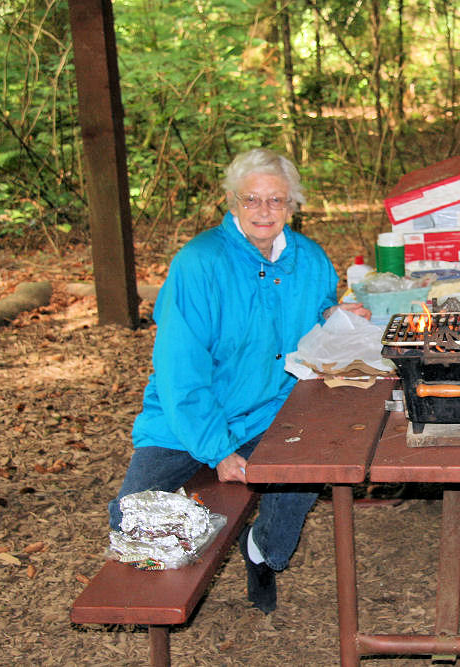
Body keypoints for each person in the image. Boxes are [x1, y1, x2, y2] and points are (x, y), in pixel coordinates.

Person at [109, 148, 370, 613]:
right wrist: (218, 451)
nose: (264, 212)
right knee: (129, 520)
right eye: (251, 200)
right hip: (186, 421)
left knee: (304, 469)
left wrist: (332, 313)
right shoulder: (198, 264)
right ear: (232, 203)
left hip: (271, 409)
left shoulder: (308, 259)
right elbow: (179, 373)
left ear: (293, 205)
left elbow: (317, 305)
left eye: (276, 201)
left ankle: (263, 550)